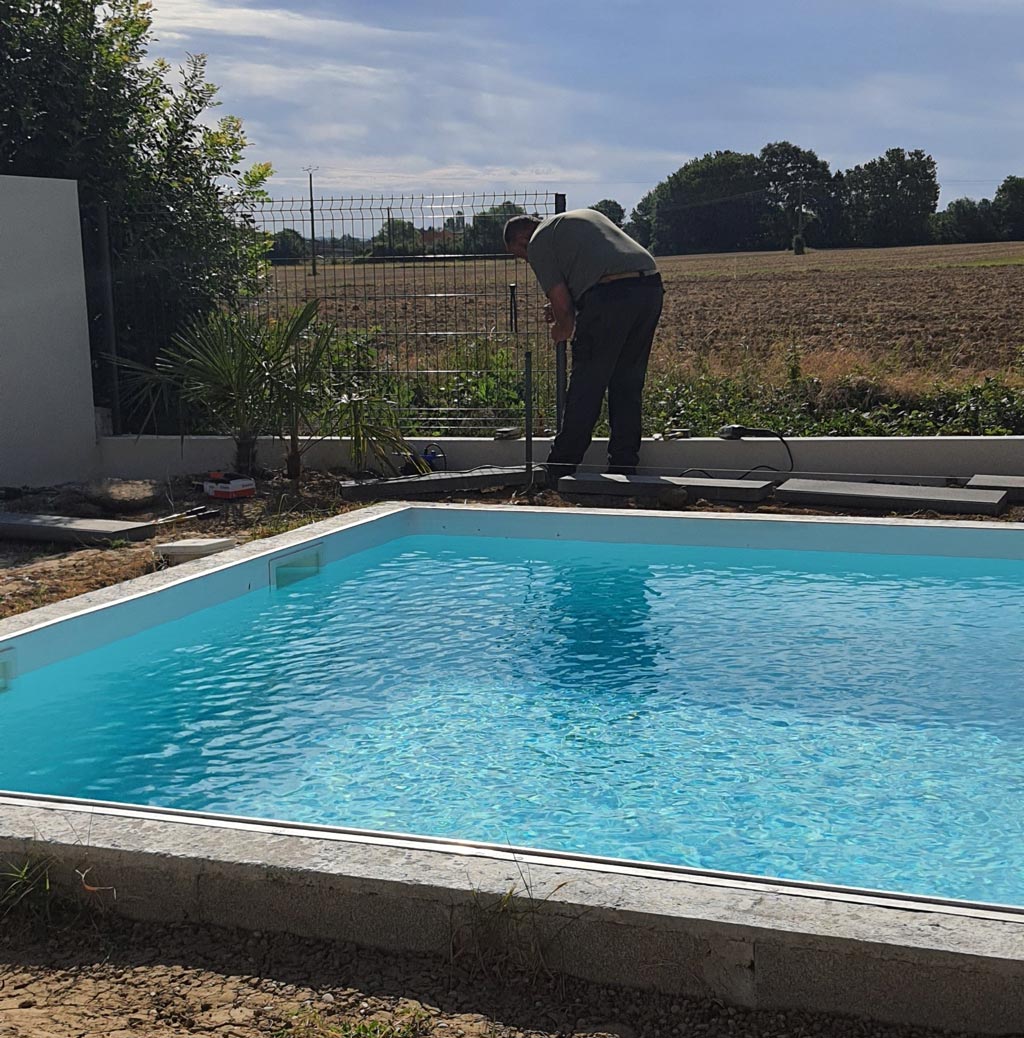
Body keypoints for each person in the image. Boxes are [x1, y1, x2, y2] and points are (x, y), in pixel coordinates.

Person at [503, 208, 663, 485]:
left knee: (586, 384)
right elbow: (592, 275)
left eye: (521, 255)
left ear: (521, 241)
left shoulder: (538, 241)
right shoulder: (578, 219)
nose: (526, 259)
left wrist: (560, 330)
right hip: (649, 288)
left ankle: (560, 467)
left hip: (610, 296)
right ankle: (624, 465)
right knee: (627, 383)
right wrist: (569, 308)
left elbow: (564, 309)